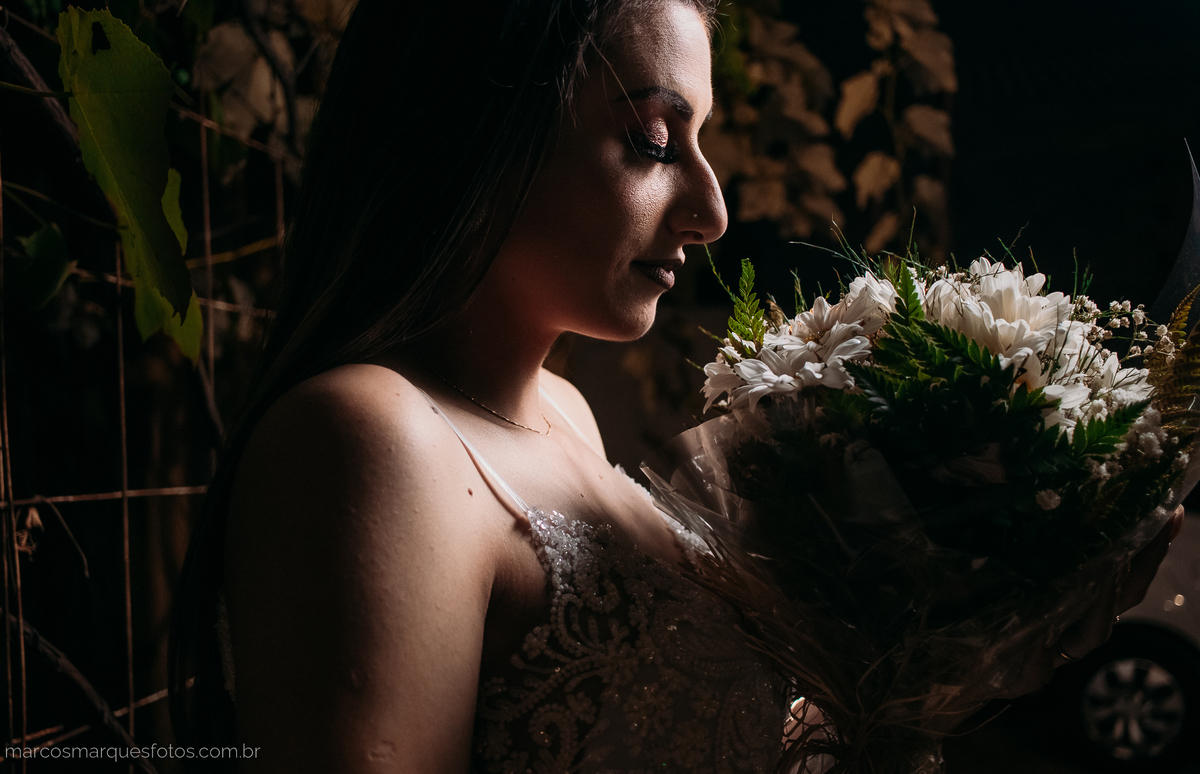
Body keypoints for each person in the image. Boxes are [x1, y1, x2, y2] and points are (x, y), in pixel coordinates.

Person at [171, 1, 792, 771]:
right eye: (653, 141)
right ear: (482, 125)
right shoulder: (372, 439)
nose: (712, 212)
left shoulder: (565, 411)